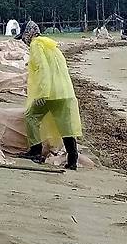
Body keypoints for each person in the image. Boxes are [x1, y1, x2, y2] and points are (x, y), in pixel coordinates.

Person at [16, 21, 82, 170]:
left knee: (31, 116)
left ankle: (35, 151)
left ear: (29, 33)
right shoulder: (50, 44)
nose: (24, 40)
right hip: (64, 91)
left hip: (50, 92)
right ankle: (73, 160)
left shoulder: (36, 45)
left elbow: (43, 70)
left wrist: (43, 94)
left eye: (24, 37)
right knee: (66, 127)